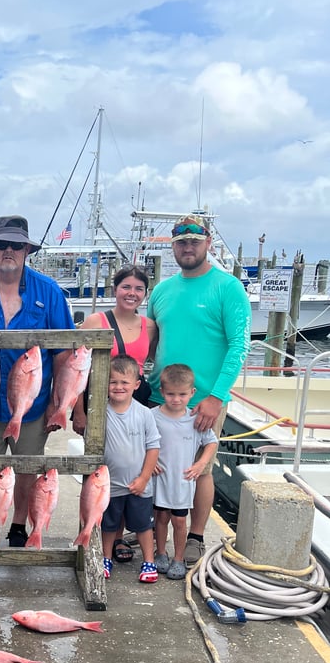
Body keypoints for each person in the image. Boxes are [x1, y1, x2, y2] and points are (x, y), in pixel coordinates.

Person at [0, 215, 75, 548]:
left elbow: (64, 352)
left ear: (27, 250)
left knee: (27, 467)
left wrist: (57, 401)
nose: (9, 251)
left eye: (16, 245)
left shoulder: (49, 291)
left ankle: (19, 526)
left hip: (32, 403)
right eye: (2, 245)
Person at [147, 214, 251, 563]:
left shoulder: (228, 287)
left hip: (203, 399)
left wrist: (216, 397)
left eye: (194, 241)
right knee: (155, 464)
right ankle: (153, 530)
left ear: (208, 243)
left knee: (200, 469)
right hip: (160, 397)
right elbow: (152, 340)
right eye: (181, 242)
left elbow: (240, 346)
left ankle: (195, 535)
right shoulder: (161, 290)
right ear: (173, 247)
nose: (188, 247)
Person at [72, 264, 158, 561]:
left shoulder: (149, 326)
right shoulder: (96, 321)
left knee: (130, 471)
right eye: (126, 287)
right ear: (115, 289)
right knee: (101, 470)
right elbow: (75, 367)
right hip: (99, 405)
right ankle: (94, 530)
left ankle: (119, 537)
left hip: (134, 405)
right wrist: (78, 410)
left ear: (144, 294)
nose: (131, 293)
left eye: (138, 289)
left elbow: (151, 362)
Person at [151, 363, 218, 580]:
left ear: (192, 393)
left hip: (182, 482)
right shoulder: (152, 416)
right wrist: (148, 462)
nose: (176, 399)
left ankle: (178, 557)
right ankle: (160, 552)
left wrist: (200, 464)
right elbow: (142, 442)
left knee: (179, 521)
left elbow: (211, 442)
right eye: (171, 394)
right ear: (162, 392)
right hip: (160, 479)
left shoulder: (195, 419)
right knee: (160, 517)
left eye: (182, 394)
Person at [100, 355, 161, 583]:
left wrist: (145, 478)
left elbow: (153, 447)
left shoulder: (145, 413)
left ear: (136, 385)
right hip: (109, 485)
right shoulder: (100, 412)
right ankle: (105, 558)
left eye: (124, 382)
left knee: (144, 526)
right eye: (113, 381)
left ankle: (148, 561)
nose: (118, 387)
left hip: (139, 485)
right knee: (108, 524)